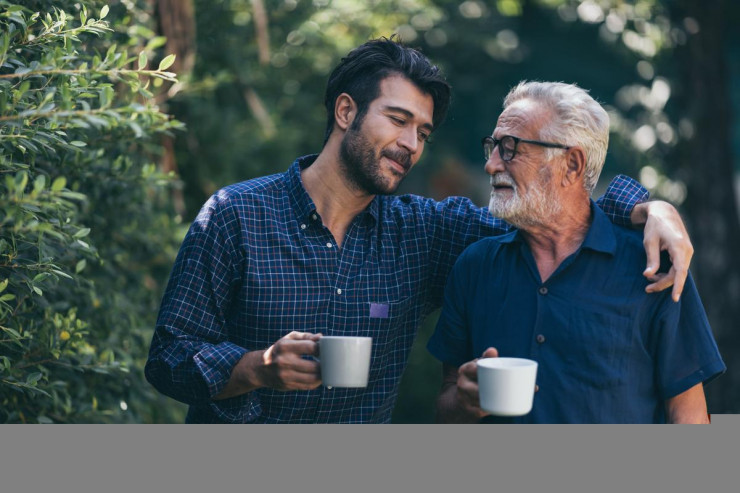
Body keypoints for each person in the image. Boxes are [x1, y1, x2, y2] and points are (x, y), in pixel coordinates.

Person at [145, 38, 694, 423]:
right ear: (345, 111)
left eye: (424, 131)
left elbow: (551, 213)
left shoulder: (424, 234)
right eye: (398, 120)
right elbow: (168, 358)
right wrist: (255, 368)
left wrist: (649, 208)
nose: (412, 144)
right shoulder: (238, 215)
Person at [428, 81, 725, 423]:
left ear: (571, 164)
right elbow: (446, 403)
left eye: (510, 148)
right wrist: (465, 403)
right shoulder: (475, 266)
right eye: (492, 147)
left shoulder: (655, 266)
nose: (492, 165)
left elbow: (687, 415)